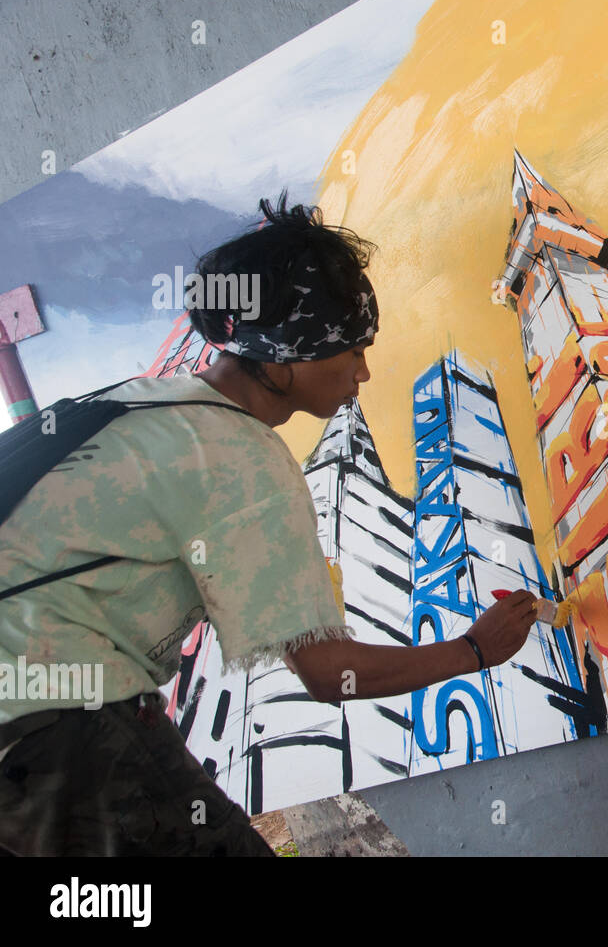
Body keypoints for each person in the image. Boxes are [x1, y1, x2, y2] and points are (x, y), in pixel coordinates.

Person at [0, 195, 537, 856]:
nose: (363, 372)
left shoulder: (143, 402)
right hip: (55, 725)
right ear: (283, 359)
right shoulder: (243, 457)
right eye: (350, 350)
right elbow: (329, 672)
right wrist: (474, 650)